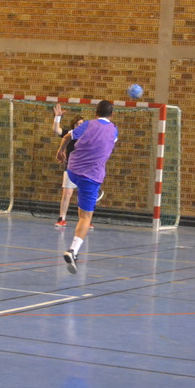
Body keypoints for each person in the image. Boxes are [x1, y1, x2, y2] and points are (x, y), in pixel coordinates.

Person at [56, 99, 118, 271]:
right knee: (85, 217)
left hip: (73, 170)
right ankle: (73, 251)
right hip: (91, 177)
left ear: (95, 113)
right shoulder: (113, 130)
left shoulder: (88, 124)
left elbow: (67, 136)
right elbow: (108, 144)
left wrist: (61, 151)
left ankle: (80, 204)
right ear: (112, 115)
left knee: (80, 204)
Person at [51, 104, 84, 228]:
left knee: (84, 195)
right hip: (71, 169)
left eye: (81, 124)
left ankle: (86, 219)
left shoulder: (88, 136)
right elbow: (57, 130)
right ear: (73, 126)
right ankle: (62, 218)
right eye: (77, 124)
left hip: (85, 170)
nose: (79, 126)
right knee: (67, 193)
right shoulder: (69, 134)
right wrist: (57, 117)